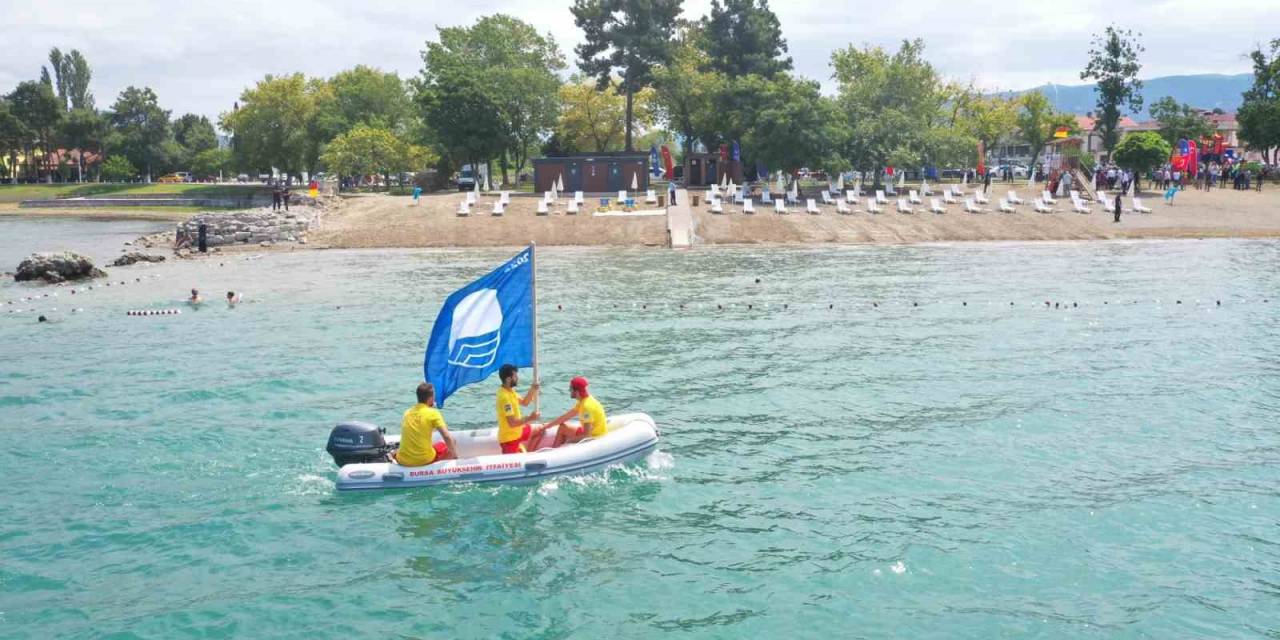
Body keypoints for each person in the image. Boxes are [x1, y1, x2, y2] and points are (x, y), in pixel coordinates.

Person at [394, 382, 457, 466]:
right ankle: (445, 467)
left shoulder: (407, 412)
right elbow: (447, 437)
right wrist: (456, 457)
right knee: (452, 441)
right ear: (430, 398)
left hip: (403, 460)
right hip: (424, 461)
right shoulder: (433, 413)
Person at [544, 376, 609, 448]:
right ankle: (555, 449)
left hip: (595, 437)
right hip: (591, 432)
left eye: (570, 389)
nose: (569, 390)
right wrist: (547, 426)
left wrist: (569, 441)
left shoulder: (586, 407)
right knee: (562, 427)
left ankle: (555, 451)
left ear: (577, 391)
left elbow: (586, 435)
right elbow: (566, 416)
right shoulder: (583, 400)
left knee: (564, 434)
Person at [496, 364, 544, 454]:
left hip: (518, 432)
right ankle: (522, 452)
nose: (517, 378)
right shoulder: (505, 398)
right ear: (508, 379)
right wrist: (530, 418)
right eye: (515, 376)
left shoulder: (510, 391)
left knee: (540, 430)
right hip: (509, 439)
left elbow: (525, 402)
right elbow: (512, 423)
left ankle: (528, 452)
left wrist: (533, 389)